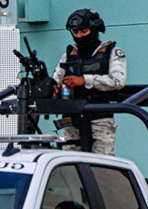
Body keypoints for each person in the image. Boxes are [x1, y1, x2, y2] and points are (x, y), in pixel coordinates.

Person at [51, 9, 126, 155]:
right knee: (69, 168)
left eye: (83, 31)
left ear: (94, 29)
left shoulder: (111, 52)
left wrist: (84, 80)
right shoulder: (68, 55)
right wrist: (56, 89)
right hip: (72, 119)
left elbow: (118, 81)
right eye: (75, 32)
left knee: (102, 169)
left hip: (100, 119)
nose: (79, 36)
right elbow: (55, 80)